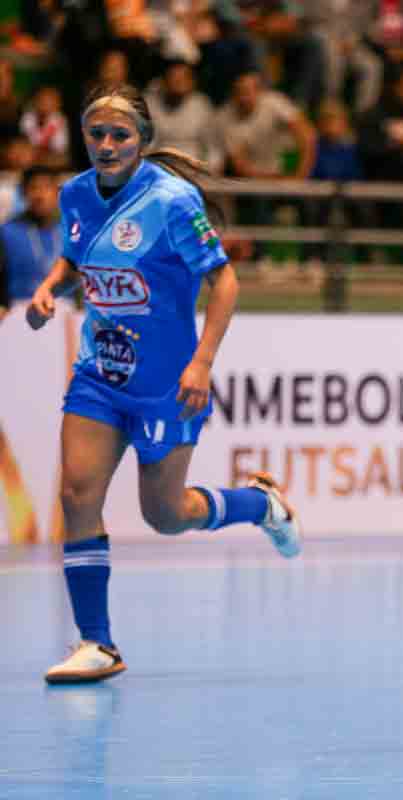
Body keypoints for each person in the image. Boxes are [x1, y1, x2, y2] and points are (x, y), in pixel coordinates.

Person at [24, 83, 302, 685]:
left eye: (119, 135)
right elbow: (77, 260)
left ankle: (260, 504)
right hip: (99, 374)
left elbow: (223, 282)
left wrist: (201, 362)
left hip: (167, 384)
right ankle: (98, 643)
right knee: (76, 496)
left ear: (143, 142)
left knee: (167, 513)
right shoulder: (75, 195)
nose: (105, 144)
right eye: (95, 134)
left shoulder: (173, 202)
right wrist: (52, 288)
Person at [0, 166, 61, 324]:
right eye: (34, 188)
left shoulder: (73, 232)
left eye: (47, 187)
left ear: (57, 193)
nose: (40, 195)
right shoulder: (6, 232)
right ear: (23, 194)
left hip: (64, 317)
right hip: (16, 316)